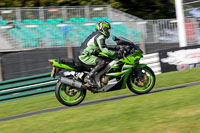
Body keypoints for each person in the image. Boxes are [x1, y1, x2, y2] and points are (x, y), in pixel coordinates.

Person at [78, 21, 120, 86]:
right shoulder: (100, 36)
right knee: (102, 62)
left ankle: (98, 78)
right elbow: (104, 50)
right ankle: (88, 77)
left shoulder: (97, 35)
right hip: (85, 56)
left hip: (85, 54)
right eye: (106, 29)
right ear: (102, 28)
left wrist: (115, 49)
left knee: (103, 59)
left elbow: (103, 47)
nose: (108, 31)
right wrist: (116, 53)